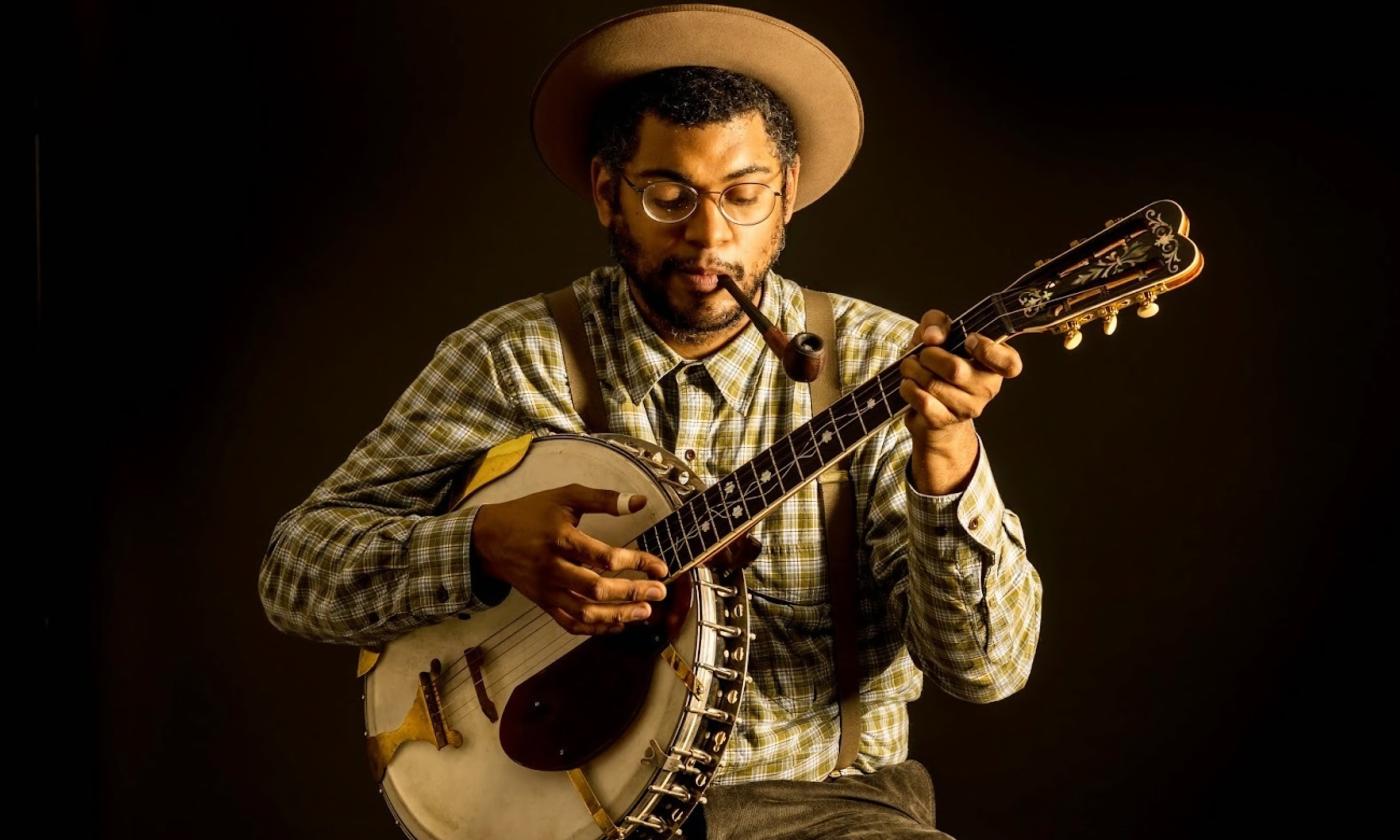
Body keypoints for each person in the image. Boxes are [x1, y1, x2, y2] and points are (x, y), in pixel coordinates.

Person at [259, 5, 1042, 838]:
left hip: (821, 809)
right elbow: (293, 573)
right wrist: (482, 545)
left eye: (744, 197)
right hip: (552, 819)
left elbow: (986, 672)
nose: (709, 238)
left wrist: (946, 455)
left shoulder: (886, 367)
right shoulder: (513, 357)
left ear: (788, 197)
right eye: (670, 196)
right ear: (608, 193)